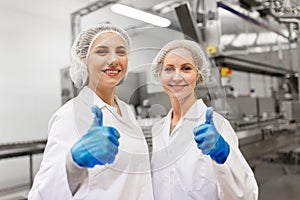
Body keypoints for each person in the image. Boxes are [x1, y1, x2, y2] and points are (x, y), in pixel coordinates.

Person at [28, 24, 154, 200]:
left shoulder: (126, 110)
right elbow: (40, 195)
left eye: (121, 52)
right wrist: (73, 163)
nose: (113, 60)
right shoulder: (71, 115)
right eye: (102, 52)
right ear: (83, 59)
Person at [150, 40, 258, 200]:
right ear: (160, 75)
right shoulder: (158, 129)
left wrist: (224, 157)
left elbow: (247, 195)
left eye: (186, 69)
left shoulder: (216, 126)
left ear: (198, 75)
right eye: (169, 69)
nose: (177, 76)